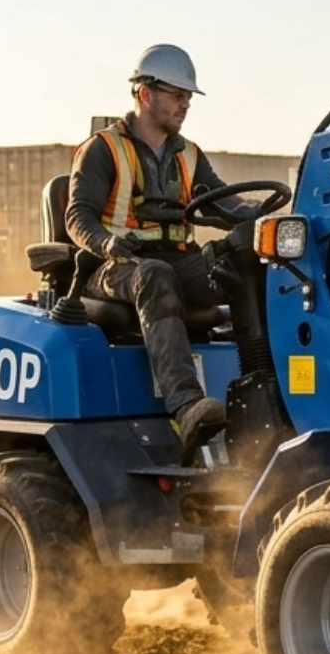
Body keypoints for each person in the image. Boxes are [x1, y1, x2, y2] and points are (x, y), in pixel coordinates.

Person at [66, 44, 235, 460]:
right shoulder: (103, 149)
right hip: (114, 266)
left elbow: (225, 205)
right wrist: (106, 241)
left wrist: (272, 220)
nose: (186, 104)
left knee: (249, 268)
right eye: (177, 95)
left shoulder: (188, 154)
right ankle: (187, 407)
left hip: (180, 259)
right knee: (155, 274)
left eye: (188, 97)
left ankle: (271, 392)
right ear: (144, 93)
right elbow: (77, 216)